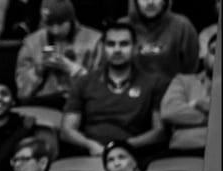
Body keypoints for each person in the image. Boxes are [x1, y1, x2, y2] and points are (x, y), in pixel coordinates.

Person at [60, 22, 168, 162]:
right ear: (103, 48)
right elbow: (67, 130)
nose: (117, 50)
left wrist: (122, 147)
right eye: (111, 44)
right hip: (90, 153)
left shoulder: (155, 82)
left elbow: (159, 132)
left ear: (135, 48)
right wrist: (90, 145)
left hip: (134, 154)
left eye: (124, 44)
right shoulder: (84, 82)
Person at [15, 0, 101, 109]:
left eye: (60, 24)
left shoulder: (94, 41)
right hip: (42, 104)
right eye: (49, 24)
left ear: (71, 19)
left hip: (82, 104)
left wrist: (73, 69)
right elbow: (22, 93)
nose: (55, 30)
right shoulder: (32, 43)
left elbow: (102, 90)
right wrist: (38, 71)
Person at [159, 34, 216, 155]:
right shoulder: (183, 81)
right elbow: (169, 111)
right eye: (214, 51)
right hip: (182, 150)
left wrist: (198, 103)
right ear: (205, 55)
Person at [120, 0, 199, 79]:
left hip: (172, 89)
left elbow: (190, 71)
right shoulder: (122, 26)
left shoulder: (182, 26)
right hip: (129, 89)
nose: (150, 2)